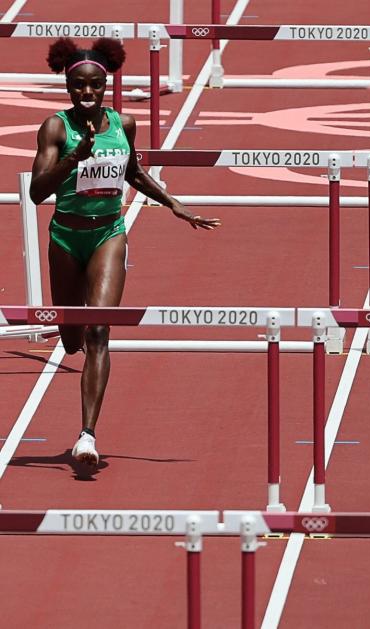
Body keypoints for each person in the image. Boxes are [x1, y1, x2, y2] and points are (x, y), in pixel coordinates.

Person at [29, 38, 221, 467]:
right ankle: (72, 339)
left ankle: (87, 436)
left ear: (106, 84)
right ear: (67, 85)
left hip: (108, 235)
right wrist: (73, 159)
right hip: (65, 237)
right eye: (78, 86)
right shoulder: (56, 128)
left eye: (95, 85)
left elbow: (132, 170)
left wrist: (173, 203)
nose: (87, 93)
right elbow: (36, 191)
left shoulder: (124, 123)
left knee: (99, 330)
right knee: (71, 339)